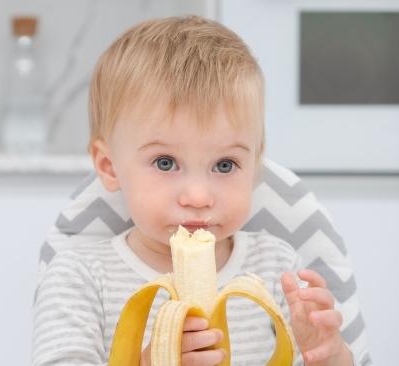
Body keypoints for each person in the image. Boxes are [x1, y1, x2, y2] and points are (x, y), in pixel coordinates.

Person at [32, 16, 359, 365]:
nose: (198, 197)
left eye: (224, 165)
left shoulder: (278, 269)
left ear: (254, 167)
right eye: (165, 162)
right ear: (109, 166)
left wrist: (328, 353)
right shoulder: (81, 277)